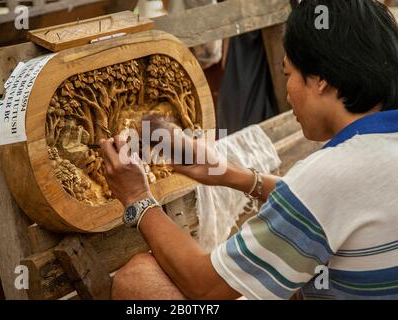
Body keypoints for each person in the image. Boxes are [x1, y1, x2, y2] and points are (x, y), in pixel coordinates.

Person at [99, 0, 398, 300]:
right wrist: (229, 174)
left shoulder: (328, 176)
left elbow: (206, 287)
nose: (288, 92)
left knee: (138, 279)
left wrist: (138, 198)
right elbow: (327, 203)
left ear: (321, 80)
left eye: (287, 74)